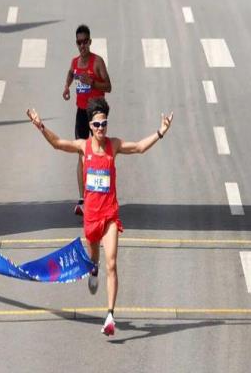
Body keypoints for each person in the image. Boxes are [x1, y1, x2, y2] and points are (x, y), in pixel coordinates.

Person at [27, 98, 173, 336]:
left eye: (104, 124)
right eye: (96, 125)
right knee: (94, 259)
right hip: (91, 217)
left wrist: (160, 132)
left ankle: (110, 315)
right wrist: (40, 125)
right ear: (90, 126)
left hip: (110, 215)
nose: (101, 128)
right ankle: (93, 270)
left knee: (112, 263)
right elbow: (58, 144)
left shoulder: (113, 145)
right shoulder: (83, 147)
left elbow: (138, 147)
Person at [63, 25, 111, 216]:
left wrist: (92, 82)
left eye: (85, 42)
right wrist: (66, 87)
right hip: (81, 113)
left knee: (100, 153)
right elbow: (71, 73)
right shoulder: (75, 62)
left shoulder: (97, 62)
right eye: (79, 42)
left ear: (90, 42)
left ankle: (102, 195)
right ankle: (83, 198)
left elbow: (108, 86)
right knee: (81, 153)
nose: (82, 45)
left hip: (96, 113)